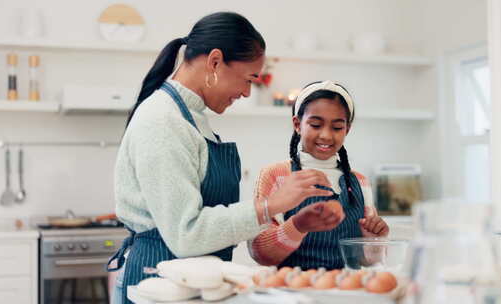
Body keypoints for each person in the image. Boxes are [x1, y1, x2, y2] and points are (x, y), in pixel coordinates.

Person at [106, 12, 333, 303]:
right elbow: (186, 234)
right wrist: (269, 206)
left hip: (189, 286)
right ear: (215, 62)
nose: (247, 92)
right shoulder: (162, 120)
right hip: (160, 284)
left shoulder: (191, 118)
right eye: (248, 78)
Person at [248, 80, 390, 270]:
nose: (326, 135)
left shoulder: (360, 182)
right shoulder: (276, 175)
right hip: (292, 291)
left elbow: (369, 261)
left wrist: (373, 239)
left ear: (347, 129)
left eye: (337, 127)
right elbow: (260, 252)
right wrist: (298, 226)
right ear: (297, 125)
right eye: (315, 125)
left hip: (344, 290)